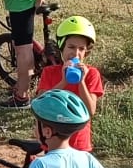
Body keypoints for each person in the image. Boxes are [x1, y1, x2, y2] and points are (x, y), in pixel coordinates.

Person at [34, 16, 103, 152]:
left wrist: (81, 82)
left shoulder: (92, 74)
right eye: (71, 47)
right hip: (53, 141)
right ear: (62, 47)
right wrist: (63, 82)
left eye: (81, 49)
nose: (75, 53)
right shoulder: (49, 72)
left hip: (79, 143)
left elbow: (90, 110)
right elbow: (40, 104)